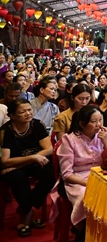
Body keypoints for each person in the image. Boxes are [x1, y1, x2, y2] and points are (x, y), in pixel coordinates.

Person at [54, 105, 107, 240]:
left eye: (100, 120)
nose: (99, 125)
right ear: (82, 123)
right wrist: (88, 183)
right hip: (77, 179)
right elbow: (67, 174)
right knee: (87, 196)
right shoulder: (69, 140)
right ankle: (83, 231)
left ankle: (106, 233)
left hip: (100, 174)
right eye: (93, 121)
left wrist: (106, 143)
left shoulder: (104, 134)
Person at [0, 99, 56, 237]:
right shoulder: (6, 131)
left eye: (29, 110)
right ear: (12, 115)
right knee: (18, 178)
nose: (28, 113)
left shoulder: (37, 125)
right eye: (22, 111)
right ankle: (26, 216)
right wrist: (32, 158)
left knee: (50, 174)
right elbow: (5, 161)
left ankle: (26, 209)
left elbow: (49, 149)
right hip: (13, 165)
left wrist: (33, 158)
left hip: (31, 161)